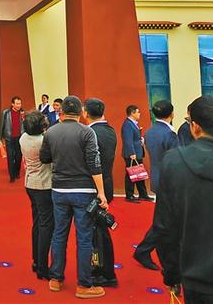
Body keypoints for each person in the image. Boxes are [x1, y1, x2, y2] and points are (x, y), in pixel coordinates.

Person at [154, 96, 213, 304]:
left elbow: (165, 227)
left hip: (197, 276)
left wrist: (172, 274)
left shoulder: (174, 162)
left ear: (195, 127)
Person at [39, 95, 107, 299]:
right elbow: (94, 164)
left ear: (61, 112)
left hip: (59, 190)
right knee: (84, 238)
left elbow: (44, 158)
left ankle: (56, 279)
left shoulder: (51, 132)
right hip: (84, 191)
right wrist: (101, 193)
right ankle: (84, 284)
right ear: (80, 112)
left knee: (59, 234)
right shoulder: (87, 132)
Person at [133, 100, 177, 271]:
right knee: (165, 220)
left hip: (157, 177)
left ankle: (146, 250)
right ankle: (144, 250)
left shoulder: (150, 131)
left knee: (165, 218)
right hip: (169, 179)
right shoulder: (169, 134)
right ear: (171, 114)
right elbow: (175, 159)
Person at [85, 98, 118, 288]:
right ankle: (101, 269)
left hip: (96, 189)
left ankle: (104, 272)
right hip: (106, 184)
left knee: (98, 233)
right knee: (99, 231)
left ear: (86, 113)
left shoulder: (90, 134)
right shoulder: (110, 130)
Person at [19, 111, 53, 281]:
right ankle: (42, 267)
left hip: (30, 183)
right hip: (44, 185)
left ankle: (36, 260)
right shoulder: (43, 141)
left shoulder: (23, 138)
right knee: (46, 225)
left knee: (37, 222)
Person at [120, 105, 150, 203]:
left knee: (139, 174)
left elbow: (134, 138)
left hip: (137, 152)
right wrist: (132, 153)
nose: (139, 114)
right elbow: (128, 140)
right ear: (132, 113)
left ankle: (143, 194)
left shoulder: (133, 124)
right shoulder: (128, 124)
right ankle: (129, 195)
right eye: (137, 112)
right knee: (131, 175)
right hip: (132, 154)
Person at [0, 96, 24, 182]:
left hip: (19, 138)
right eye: (17, 104)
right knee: (10, 157)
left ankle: (17, 172)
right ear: (12, 104)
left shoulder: (22, 113)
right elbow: (2, 125)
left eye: (20, 103)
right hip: (9, 137)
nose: (19, 105)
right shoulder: (6, 113)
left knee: (18, 157)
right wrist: (0, 138)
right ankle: (12, 176)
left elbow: (25, 125)